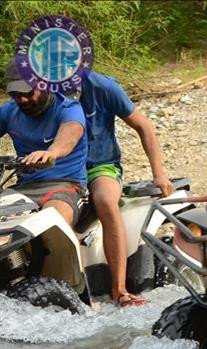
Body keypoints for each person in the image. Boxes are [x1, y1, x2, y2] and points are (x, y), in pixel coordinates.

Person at [74, 71, 174, 307]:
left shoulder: (103, 87)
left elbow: (144, 127)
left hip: (100, 166)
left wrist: (159, 174)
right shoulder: (37, 91)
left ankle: (119, 289)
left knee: (105, 200)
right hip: (60, 171)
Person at [0, 60, 88, 227]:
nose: (23, 99)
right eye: (16, 94)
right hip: (23, 188)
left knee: (53, 223)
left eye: (28, 92)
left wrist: (51, 152)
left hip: (65, 186)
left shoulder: (68, 108)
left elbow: (70, 134)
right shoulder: (9, 111)